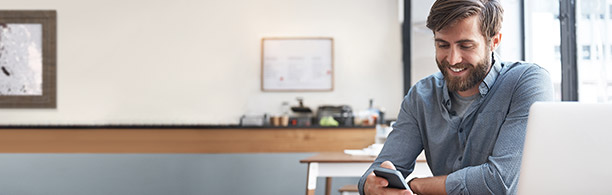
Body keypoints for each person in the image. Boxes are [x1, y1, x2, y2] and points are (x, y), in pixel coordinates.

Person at [358, 0, 553, 194]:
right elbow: (380, 170)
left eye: (466, 46)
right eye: (443, 45)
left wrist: (416, 185)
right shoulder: (421, 96)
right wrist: (371, 186)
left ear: (494, 41)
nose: (453, 59)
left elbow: (500, 182)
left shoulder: (528, 82)